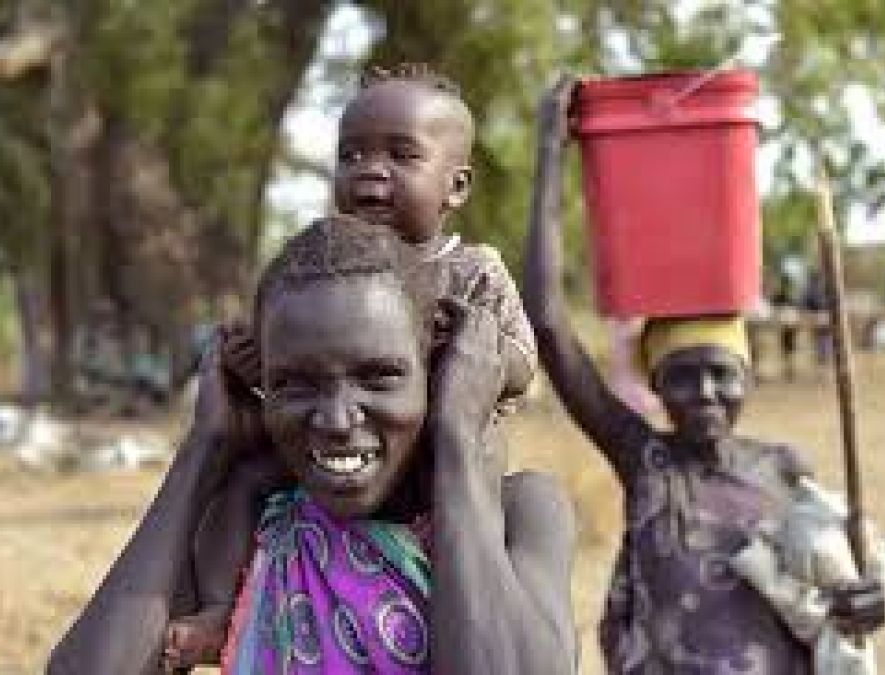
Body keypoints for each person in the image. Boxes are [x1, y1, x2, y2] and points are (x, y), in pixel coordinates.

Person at [49, 220, 575, 674]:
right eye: (294, 385)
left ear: (435, 370)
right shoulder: (263, 527)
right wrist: (203, 450)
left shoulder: (521, 513)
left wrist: (457, 436)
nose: (335, 420)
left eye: (378, 376)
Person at [164, 63, 541, 658]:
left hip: (443, 455)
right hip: (337, 456)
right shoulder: (327, 272)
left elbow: (522, 362)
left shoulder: (473, 271)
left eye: (400, 155)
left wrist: (474, 347)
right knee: (241, 484)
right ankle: (221, 610)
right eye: (352, 155)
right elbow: (300, 375)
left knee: (477, 500)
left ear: (457, 187)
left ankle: (453, 612)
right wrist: (251, 361)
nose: (370, 173)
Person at [524, 76, 885, 673]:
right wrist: (549, 152)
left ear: (749, 380)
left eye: (723, 375)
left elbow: (845, 588)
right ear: (654, 385)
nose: (704, 394)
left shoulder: (785, 471)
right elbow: (547, 323)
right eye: (681, 376)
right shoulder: (646, 460)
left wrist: (868, 602)